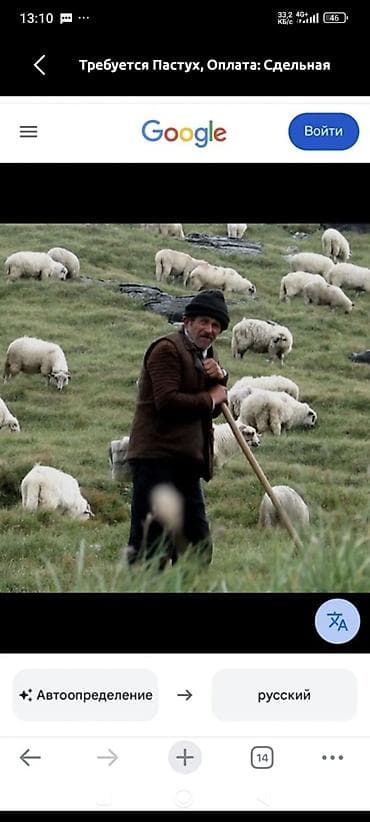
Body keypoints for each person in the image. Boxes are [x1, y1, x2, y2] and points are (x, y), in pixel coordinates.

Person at [125, 289, 230, 568]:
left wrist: (220, 379)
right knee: (151, 547)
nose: (210, 330)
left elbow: (215, 409)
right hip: (157, 461)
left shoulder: (206, 355)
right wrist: (211, 397)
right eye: (204, 322)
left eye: (216, 325)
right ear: (188, 321)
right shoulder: (167, 350)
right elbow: (167, 402)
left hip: (186, 464)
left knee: (198, 546)